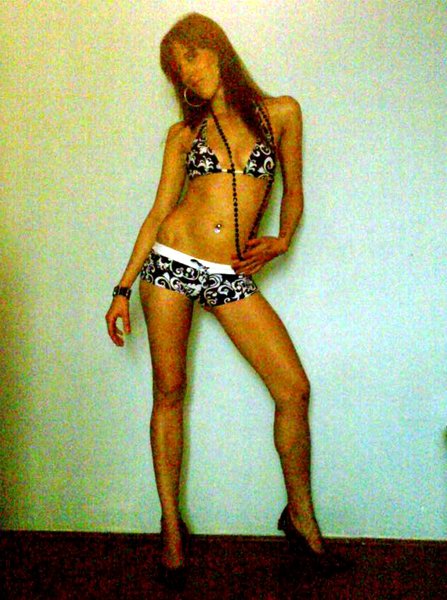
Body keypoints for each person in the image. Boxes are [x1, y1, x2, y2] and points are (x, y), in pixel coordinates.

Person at [105, 12, 350, 588]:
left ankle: (302, 521)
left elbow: (294, 190)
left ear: (217, 48)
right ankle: (171, 531)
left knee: (293, 389)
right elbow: (158, 213)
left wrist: (283, 240)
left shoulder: (281, 113)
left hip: (228, 273)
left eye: (191, 56)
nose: (187, 73)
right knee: (169, 392)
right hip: (169, 264)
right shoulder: (183, 135)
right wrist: (121, 289)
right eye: (176, 69)